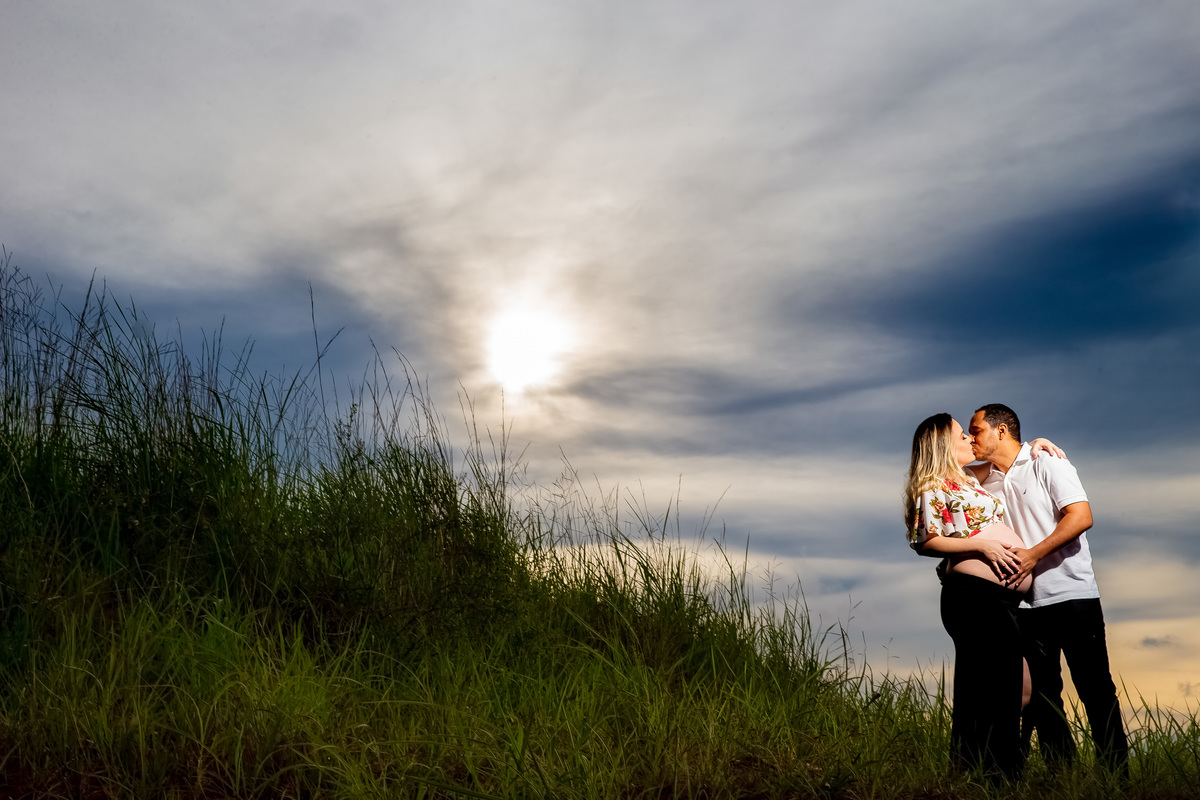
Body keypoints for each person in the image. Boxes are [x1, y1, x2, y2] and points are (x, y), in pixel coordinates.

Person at [968, 403, 1129, 777]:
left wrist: (1032, 555)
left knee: (1096, 690)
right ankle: (1062, 776)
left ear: (1001, 431)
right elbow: (945, 473)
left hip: (1073, 595)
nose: (971, 438)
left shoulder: (1048, 463)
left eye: (976, 430)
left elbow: (1081, 516)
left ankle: (1117, 779)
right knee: (1042, 699)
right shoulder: (981, 480)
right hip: (1022, 604)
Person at [904, 413, 1032, 781]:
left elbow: (1005, 454)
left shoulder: (970, 479)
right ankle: (994, 776)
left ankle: (982, 770)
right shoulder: (932, 484)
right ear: (943, 445)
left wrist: (1036, 444)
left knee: (1020, 687)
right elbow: (925, 541)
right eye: (963, 435)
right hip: (973, 596)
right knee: (994, 688)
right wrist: (982, 547)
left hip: (1000, 599)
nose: (970, 440)